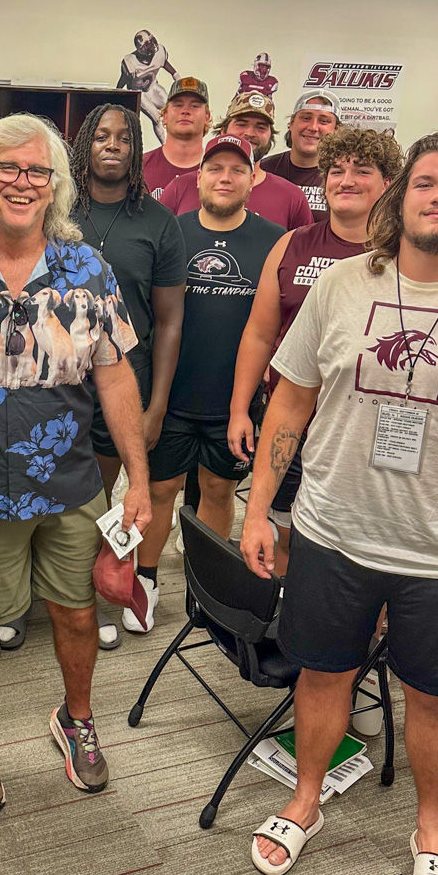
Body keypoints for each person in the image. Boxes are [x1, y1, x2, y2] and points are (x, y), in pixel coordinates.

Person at [240, 132, 438, 875]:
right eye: (426, 184)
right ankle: (307, 798)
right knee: (322, 673)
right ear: (399, 198)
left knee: (435, 697)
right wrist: (256, 504)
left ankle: (431, 830)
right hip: (333, 529)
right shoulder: (344, 284)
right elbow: (291, 398)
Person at [0, 114, 151, 812]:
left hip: (70, 478)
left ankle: (76, 720)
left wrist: (135, 476)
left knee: (77, 615)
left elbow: (114, 375)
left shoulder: (87, 269)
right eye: (7, 168)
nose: (22, 182)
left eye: (37, 172)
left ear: (56, 186)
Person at [228, 127, 402, 573]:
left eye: (362, 171)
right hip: (288, 415)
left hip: (358, 424)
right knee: (282, 529)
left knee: (359, 543)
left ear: (387, 183)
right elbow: (259, 334)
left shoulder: (401, 255)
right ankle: (290, 619)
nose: (346, 180)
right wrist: (240, 409)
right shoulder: (293, 243)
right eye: (337, 171)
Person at [132, 136, 284, 628]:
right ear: (197, 177)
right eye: (214, 167)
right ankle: (146, 582)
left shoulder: (273, 241)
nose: (225, 177)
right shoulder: (170, 232)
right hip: (170, 395)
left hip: (232, 401)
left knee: (218, 489)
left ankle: (204, 586)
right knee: (160, 488)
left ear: (251, 179)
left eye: (236, 170)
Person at [70, 103, 186, 639]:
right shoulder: (56, 208)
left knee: (107, 496)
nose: (112, 144)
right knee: (54, 494)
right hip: (56, 383)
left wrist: (156, 404)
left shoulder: (158, 223)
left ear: (138, 150)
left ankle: (104, 596)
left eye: (124, 137)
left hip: (125, 382)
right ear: (84, 145)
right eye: (101, 135)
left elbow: (168, 322)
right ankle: (51, 594)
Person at [159, 92, 313, 230]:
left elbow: (303, 254)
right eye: (241, 124)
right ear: (223, 131)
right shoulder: (179, 188)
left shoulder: (292, 197)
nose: (250, 133)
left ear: (270, 136)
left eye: (261, 127)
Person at [260, 89, 342, 222]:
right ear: (291, 123)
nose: (313, 127)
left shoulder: (343, 177)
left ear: (336, 130)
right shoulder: (264, 169)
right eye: (306, 118)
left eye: (324, 121)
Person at [142, 78, 211, 201]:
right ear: (164, 116)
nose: (185, 111)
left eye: (195, 106)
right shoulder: (139, 166)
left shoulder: (217, 172)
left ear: (207, 117)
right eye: (178, 105)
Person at [117, 30, 179, 145]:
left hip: (153, 87)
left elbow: (169, 67)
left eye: (152, 40)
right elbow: (122, 81)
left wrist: (179, 81)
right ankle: (164, 146)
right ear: (140, 48)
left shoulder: (160, 51)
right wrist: (117, 96)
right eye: (147, 43)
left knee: (172, 111)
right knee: (156, 118)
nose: (152, 45)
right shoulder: (130, 62)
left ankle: (176, 142)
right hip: (139, 93)